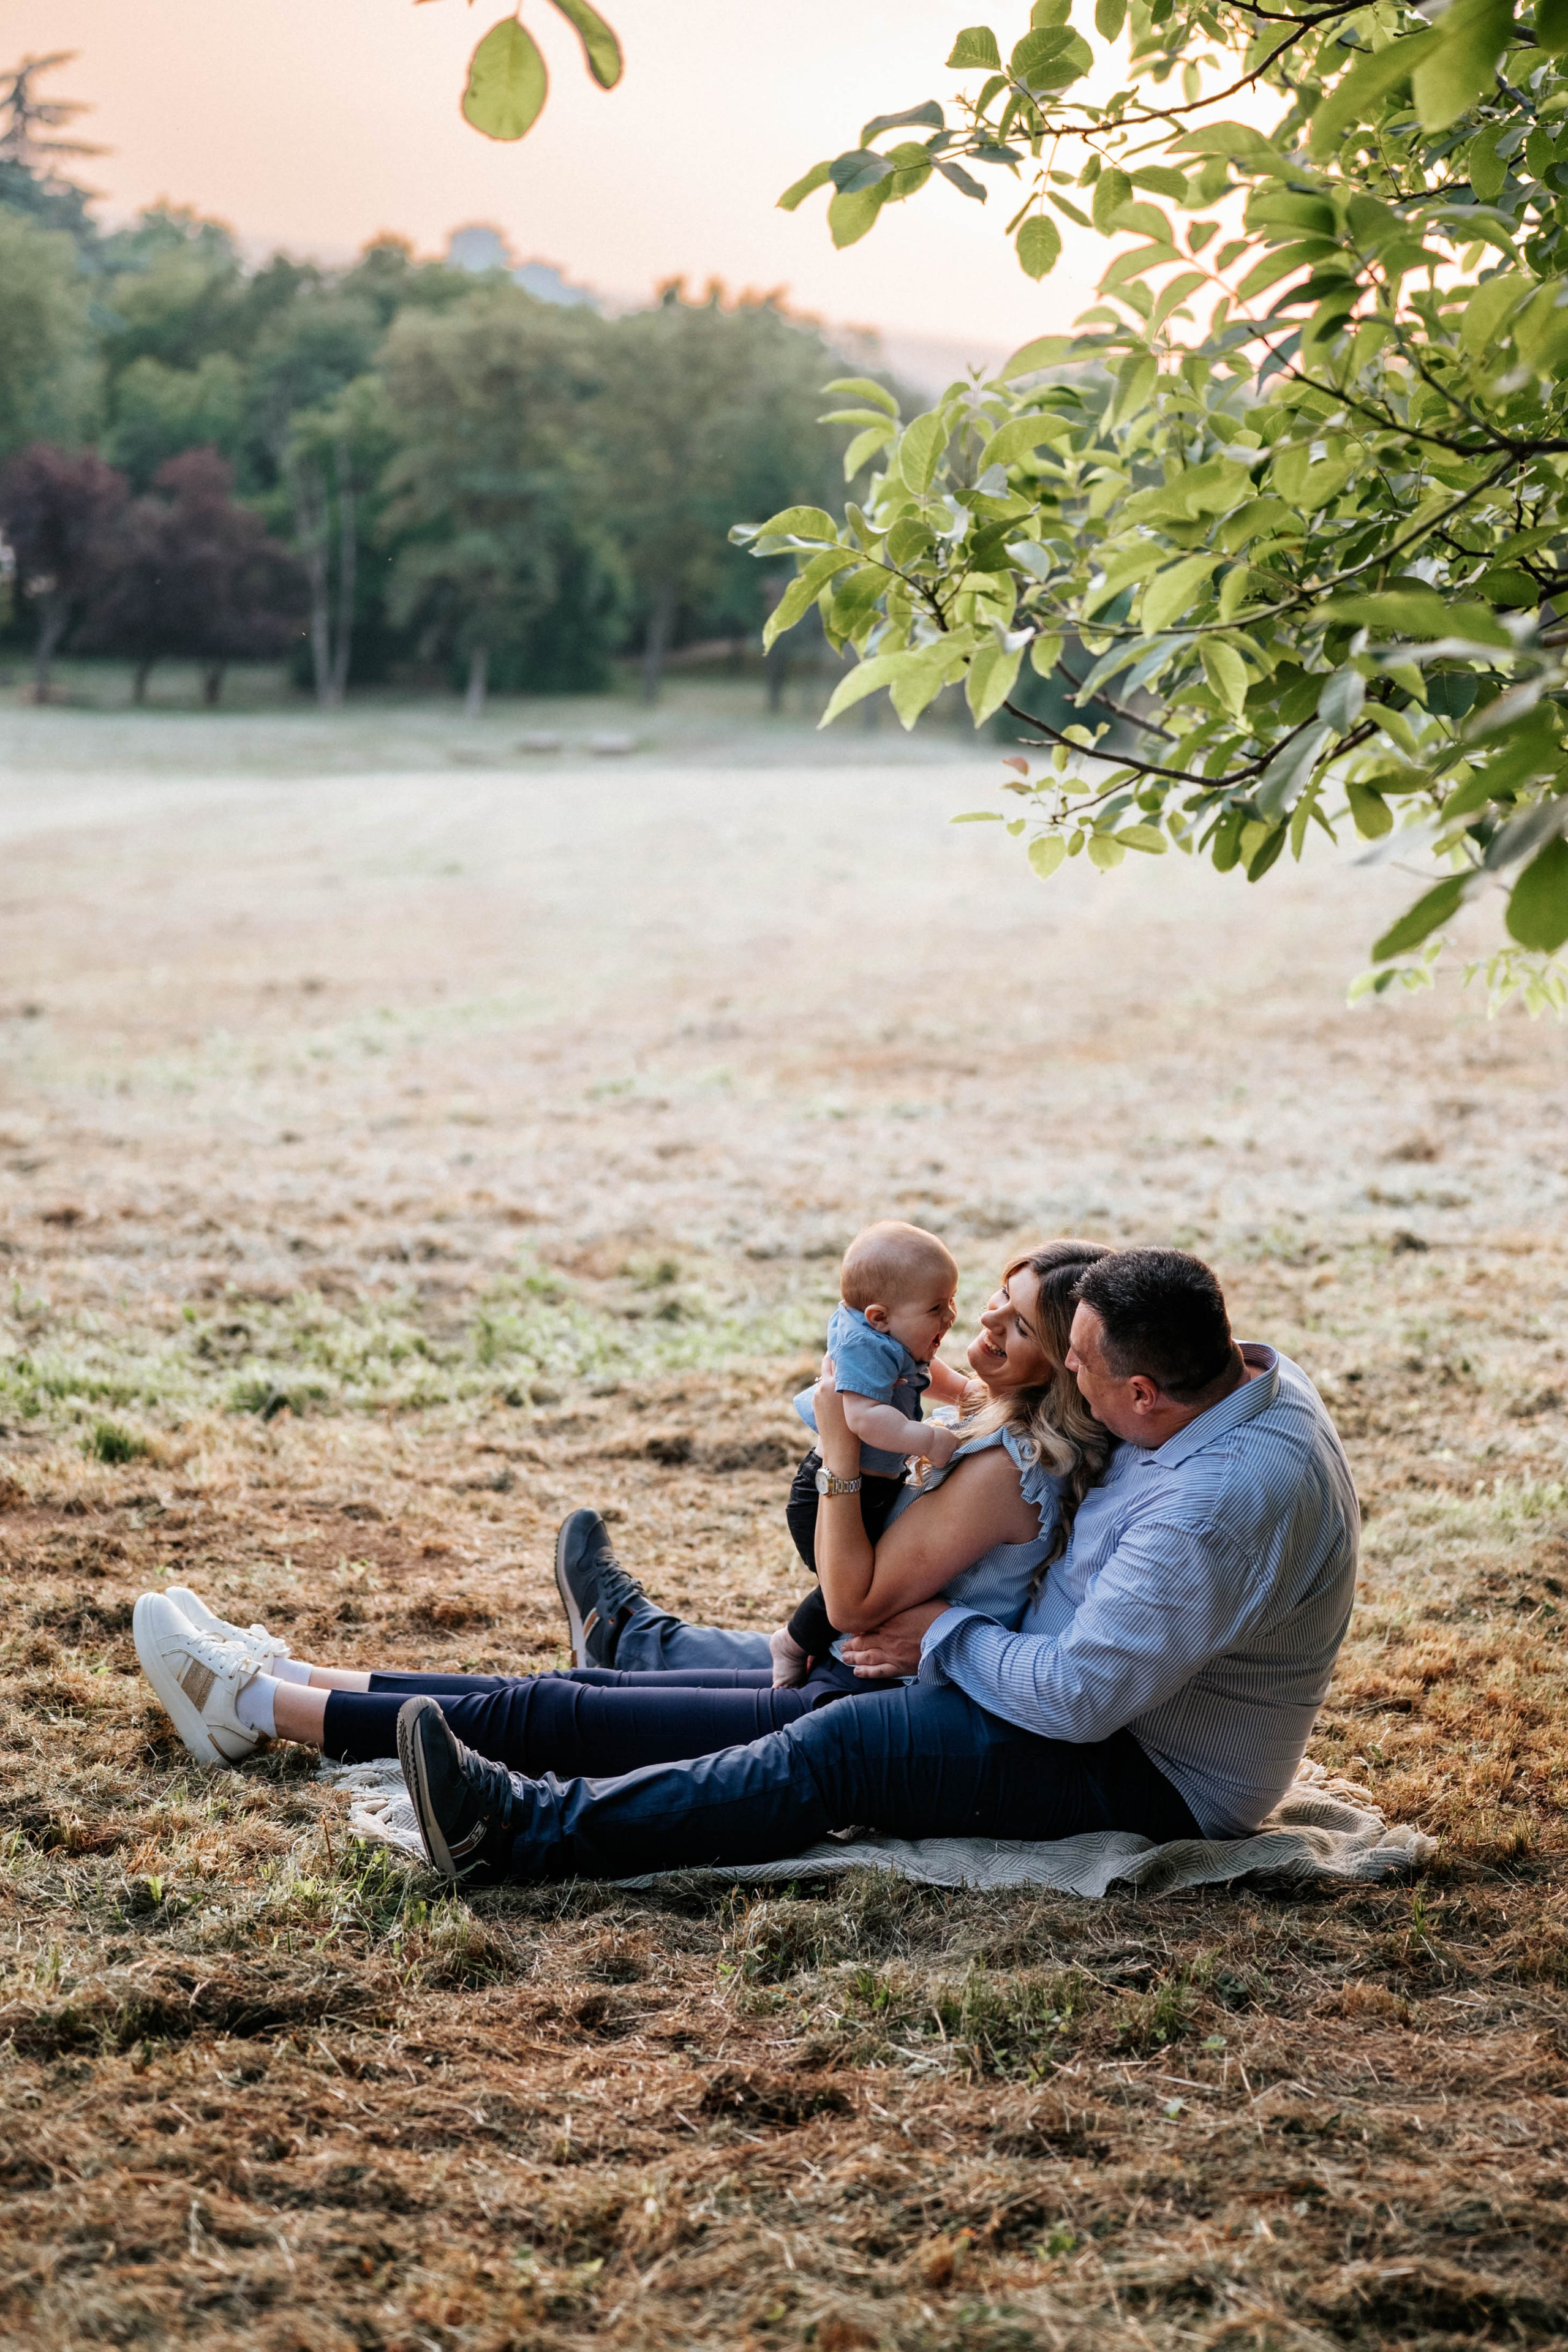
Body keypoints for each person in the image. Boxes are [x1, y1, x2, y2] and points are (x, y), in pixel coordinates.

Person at [387, 1246, 1360, 1887]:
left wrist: (945, 1631)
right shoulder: (1239, 1380)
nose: (1070, 1381)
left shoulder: (1215, 1505)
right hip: (1076, 1673)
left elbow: (1078, 1701)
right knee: (821, 1686)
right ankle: (619, 1657)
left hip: (1149, 1767)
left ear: (1144, 1393)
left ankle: (520, 1830)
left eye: (1083, 1373)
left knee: (841, 1746)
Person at [130, 1242, 1113, 1778]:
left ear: (1064, 1357)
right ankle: (287, 1675)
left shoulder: (1002, 1463)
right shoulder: (985, 1419)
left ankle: (252, 1706)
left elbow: (852, 1601)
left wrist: (841, 1446)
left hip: (873, 1703)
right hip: (868, 1680)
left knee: (559, 1716)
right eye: (993, 1298)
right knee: (569, 1696)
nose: (982, 1322)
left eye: (1014, 1322)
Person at [776, 1219, 973, 1683]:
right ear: (880, 1317)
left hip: (871, 1488)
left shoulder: (895, 1335)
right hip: (834, 1491)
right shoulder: (864, 1346)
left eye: (952, 1302)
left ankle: (824, 1653)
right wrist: (926, 1439)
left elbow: (929, 1371)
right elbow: (863, 1419)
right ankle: (791, 1644)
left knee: (869, 1586)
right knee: (854, 1591)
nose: (951, 1317)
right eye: (937, 1307)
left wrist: (966, 1392)